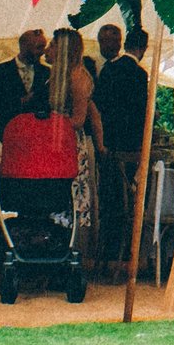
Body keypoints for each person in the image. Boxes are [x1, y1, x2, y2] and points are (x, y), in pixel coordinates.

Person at [92, 24, 148, 278]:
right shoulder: (138, 73)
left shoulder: (109, 70)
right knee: (129, 201)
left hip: (108, 146)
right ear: (143, 48)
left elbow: (99, 106)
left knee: (109, 199)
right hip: (131, 148)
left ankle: (107, 252)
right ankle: (126, 252)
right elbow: (142, 113)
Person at [47, 28, 101, 257]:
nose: (49, 49)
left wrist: (49, 123)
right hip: (55, 141)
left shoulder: (77, 79)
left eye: (53, 45)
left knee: (69, 200)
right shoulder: (61, 75)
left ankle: (68, 253)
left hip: (68, 144)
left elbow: (79, 119)